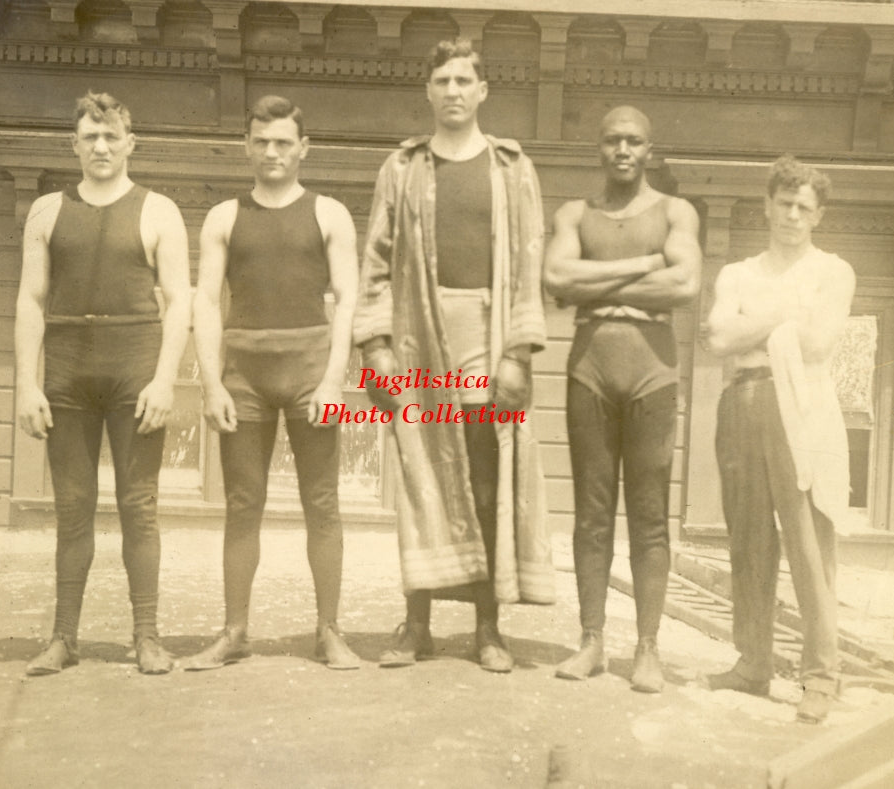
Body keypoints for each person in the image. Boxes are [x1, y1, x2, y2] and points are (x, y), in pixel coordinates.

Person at [354, 38, 554, 675]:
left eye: (464, 80)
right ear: (428, 90)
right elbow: (376, 262)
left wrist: (518, 353)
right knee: (420, 480)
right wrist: (376, 344)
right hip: (417, 334)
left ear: (483, 90)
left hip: (486, 337)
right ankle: (416, 624)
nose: (453, 91)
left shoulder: (511, 168)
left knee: (482, 478)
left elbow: (528, 262)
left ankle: (487, 627)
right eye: (441, 80)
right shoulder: (402, 168)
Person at [15, 91, 192, 675]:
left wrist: (166, 380)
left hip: (134, 369)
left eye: (111, 135)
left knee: (138, 506)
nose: (101, 146)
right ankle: (64, 637)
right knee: (73, 508)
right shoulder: (46, 211)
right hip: (68, 371)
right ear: (74, 144)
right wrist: (27, 384)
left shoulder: (158, 210)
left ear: (129, 143)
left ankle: (147, 636)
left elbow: (181, 303)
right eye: (90, 136)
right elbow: (30, 301)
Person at [184, 95, 361, 671]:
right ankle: (234, 631)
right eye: (261, 142)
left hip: (312, 370)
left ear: (303, 148)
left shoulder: (330, 213)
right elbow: (206, 302)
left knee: (323, 503)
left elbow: (349, 300)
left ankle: (329, 630)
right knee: (242, 505)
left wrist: (336, 379)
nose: (272, 152)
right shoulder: (224, 217)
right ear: (246, 147)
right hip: (246, 376)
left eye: (283, 142)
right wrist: (211, 383)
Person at [543, 106, 702, 692]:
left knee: (650, 516)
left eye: (634, 141)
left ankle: (648, 649)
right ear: (598, 148)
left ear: (650, 149)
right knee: (590, 514)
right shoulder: (574, 214)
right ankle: (590, 641)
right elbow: (557, 280)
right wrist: (644, 266)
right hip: (590, 371)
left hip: (652, 375)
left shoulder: (675, 212)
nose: (623, 150)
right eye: (612, 140)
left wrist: (597, 278)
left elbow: (685, 285)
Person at [703, 155, 854, 724]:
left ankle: (821, 675)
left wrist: (756, 325)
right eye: (784, 203)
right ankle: (753, 662)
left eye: (804, 208)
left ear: (817, 217)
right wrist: (782, 318)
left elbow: (817, 344)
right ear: (767, 205)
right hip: (741, 399)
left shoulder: (832, 271)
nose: (792, 215)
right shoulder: (738, 272)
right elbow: (716, 336)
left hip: (802, 404)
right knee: (747, 538)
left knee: (808, 541)